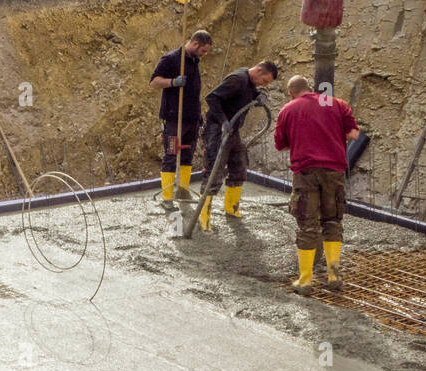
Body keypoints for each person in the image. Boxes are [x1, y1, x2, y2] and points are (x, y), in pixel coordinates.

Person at [273, 74, 359, 294]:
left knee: (307, 225)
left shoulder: (288, 109)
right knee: (332, 221)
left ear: (291, 93)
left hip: (305, 172)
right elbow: (353, 135)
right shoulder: (338, 104)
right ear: (310, 88)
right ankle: (333, 277)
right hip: (334, 171)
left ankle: (305, 281)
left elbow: (281, 146)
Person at [198, 60, 279, 231]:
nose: (263, 84)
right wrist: (223, 121)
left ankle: (231, 208)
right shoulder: (237, 79)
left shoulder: (250, 83)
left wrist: (260, 95)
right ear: (258, 71)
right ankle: (203, 216)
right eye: (264, 81)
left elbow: (254, 91)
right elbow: (211, 98)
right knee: (215, 170)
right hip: (217, 131)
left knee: (239, 166)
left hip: (233, 132)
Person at [150, 31, 214, 210]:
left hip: (192, 119)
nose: (205, 54)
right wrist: (172, 82)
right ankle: (167, 198)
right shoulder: (171, 59)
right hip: (173, 119)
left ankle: (182, 191)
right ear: (194, 44)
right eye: (204, 51)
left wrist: (198, 115)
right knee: (171, 156)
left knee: (188, 155)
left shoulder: (194, 60)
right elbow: (154, 82)